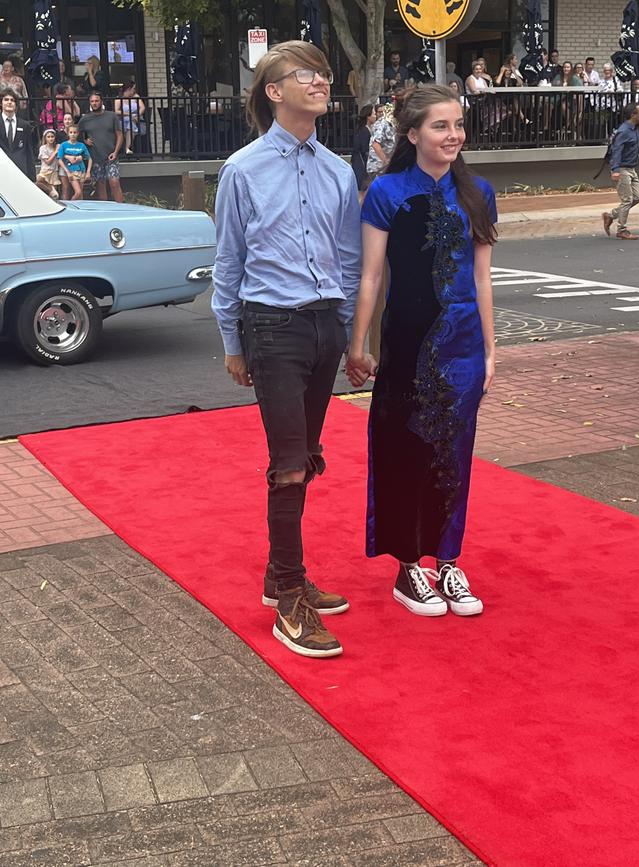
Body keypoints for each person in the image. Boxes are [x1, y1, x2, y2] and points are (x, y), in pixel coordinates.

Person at [211, 40, 361, 659]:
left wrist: (353, 335)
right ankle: (291, 598)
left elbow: (349, 261)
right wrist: (231, 340)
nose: (322, 81)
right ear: (274, 91)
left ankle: (280, 575)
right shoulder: (242, 170)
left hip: (325, 326)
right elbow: (228, 262)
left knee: (310, 451)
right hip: (271, 327)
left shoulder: (339, 169)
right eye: (307, 74)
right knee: (290, 461)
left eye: (324, 73)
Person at [346, 84, 496, 617]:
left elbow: (482, 278)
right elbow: (370, 277)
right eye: (440, 125)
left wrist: (492, 350)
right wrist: (359, 343)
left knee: (455, 453)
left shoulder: (479, 191)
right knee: (404, 447)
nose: (453, 134)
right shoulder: (386, 192)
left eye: (457, 125)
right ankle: (409, 566)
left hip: (464, 345)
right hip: (406, 343)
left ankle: (448, 559)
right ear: (413, 134)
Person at [602, 102, 639, 241]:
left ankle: (611, 215)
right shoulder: (624, 131)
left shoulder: (634, 129)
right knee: (627, 200)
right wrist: (615, 170)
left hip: (631, 168)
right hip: (622, 168)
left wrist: (638, 149)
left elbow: (632, 144)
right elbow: (617, 151)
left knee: (636, 198)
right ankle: (622, 229)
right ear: (633, 115)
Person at [78, 92, 124, 202]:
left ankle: (122, 209)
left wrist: (116, 151)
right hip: (95, 156)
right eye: (92, 101)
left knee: (114, 183)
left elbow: (119, 134)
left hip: (111, 156)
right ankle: (106, 211)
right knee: (100, 185)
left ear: (101, 101)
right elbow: (75, 133)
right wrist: (84, 141)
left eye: (96, 101)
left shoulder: (111, 116)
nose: (94, 103)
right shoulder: (85, 119)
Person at [0, 90, 35, 180]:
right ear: (1, 103)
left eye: (12, 100)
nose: (9, 102)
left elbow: (29, 151)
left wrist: (32, 177)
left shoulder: (24, 125)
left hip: (20, 171)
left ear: (16, 104)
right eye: (6, 99)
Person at [57, 124, 92, 200]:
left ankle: (80, 210)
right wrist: (67, 172)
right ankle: (71, 205)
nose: (73, 134)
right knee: (78, 192)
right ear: (68, 133)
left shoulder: (81, 145)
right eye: (71, 132)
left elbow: (89, 158)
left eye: (75, 132)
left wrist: (88, 172)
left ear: (78, 133)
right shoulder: (64, 145)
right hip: (71, 171)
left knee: (80, 194)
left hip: (81, 170)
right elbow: (59, 159)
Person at [367, 99, 396, 178]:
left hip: (385, 169)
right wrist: (386, 161)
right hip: (378, 168)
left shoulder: (392, 124)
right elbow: (375, 144)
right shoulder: (383, 124)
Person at [114, 81, 145, 154]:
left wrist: (137, 115)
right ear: (128, 89)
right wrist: (128, 114)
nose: (134, 90)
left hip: (135, 120)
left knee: (131, 123)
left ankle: (127, 148)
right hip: (122, 120)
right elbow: (117, 111)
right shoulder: (119, 98)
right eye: (133, 88)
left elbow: (142, 107)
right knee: (129, 124)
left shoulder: (136, 96)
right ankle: (127, 148)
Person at [351, 103, 376, 192]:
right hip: (362, 163)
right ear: (368, 117)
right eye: (374, 114)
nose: (375, 116)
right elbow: (364, 149)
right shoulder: (364, 131)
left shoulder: (366, 129)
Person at [37, 129, 61, 197]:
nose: (51, 138)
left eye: (52, 136)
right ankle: (51, 190)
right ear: (45, 138)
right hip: (45, 171)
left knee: (55, 195)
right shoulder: (43, 148)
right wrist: (55, 152)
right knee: (39, 180)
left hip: (54, 171)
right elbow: (48, 162)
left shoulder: (56, 147)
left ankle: (52, 192)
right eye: (48, 137)